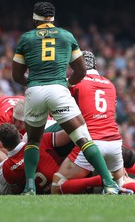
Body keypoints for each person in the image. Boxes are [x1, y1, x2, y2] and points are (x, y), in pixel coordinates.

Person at [11, 2, 120, 195]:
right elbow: (81, 70)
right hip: (59, 90)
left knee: (33, 142)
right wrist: (67, 84)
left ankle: (29, 188)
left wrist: (33, 84)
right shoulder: (66, 36)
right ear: (52, 18)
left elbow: (17, 75)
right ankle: (109, 183)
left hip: (35, 90)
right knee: (83, 139)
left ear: (35, 18)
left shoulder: (26, 38)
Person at [51, 51, 133, 194]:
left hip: (90, 142)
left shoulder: (74, 82)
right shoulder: (110, 84)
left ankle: (102, 182)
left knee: (57, 185)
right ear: (95, 65)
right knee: (123, 182)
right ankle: (113, 184)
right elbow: (109, 115)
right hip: (115, 143)